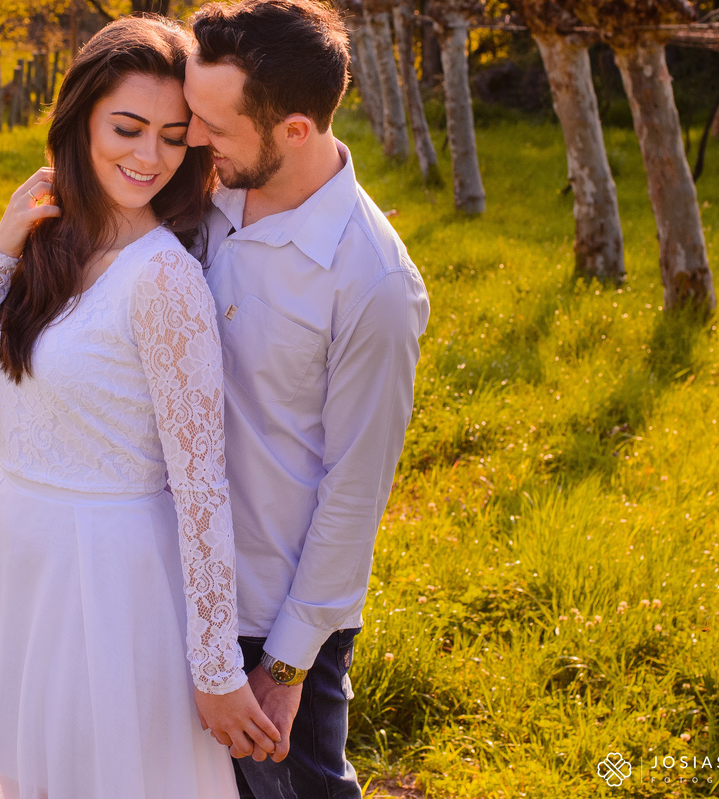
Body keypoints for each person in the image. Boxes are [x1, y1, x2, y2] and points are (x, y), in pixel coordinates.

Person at [0, 16, 280, 799]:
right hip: (17, 555)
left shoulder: (164, 282)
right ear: (80, 118)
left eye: (172, 136)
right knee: (20, 773)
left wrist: (218, 667)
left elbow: (200, 486)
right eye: (127, 128)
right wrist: (0, 248)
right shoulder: (44, 248)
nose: (148, 157)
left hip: (112, 576)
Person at [184, 2, 431, 797]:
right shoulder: (202, 201)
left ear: (293, 130)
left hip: (272, 617)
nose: (193, 138)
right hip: (172, 580)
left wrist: (287, 665)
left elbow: (354, 493)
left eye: (214, 125)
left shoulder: (372, 283)